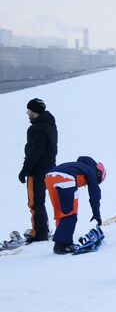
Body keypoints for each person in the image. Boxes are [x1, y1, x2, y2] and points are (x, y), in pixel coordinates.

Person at [45, 155, 105, 254]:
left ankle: (61, 243)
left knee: (60, 212)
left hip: (49, 177)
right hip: (66, 178)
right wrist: (96, 214)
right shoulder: (90, 170)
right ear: (98, 173)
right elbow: (95, 193)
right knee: (70, 213)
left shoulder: (77, 167)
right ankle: (62, 245)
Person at [19, 97, 57, 244]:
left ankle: (39, 233)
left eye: (29, 109)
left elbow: (36, 151)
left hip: (37, 170)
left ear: (34, 111)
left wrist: (25, 170)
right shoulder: (50, 125)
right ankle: (42, 229)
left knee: (35, 202)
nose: (27, 112)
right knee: (39, 201)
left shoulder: (37, 129)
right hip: (49, 168)